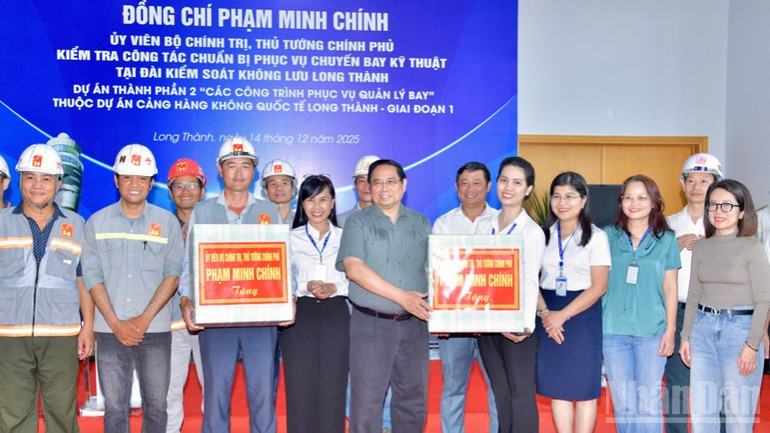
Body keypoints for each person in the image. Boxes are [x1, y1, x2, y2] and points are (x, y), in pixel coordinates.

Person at [179, 136, 282, 433]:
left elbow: (281, 264)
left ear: (254, 171)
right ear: (219, 170)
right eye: (231, 165)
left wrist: (288, 300)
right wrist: (186, 300)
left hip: (261, 319)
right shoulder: (203, 211)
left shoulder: (270, 211)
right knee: (215, 398)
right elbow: (189, 265)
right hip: (216, 319)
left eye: (245, 165)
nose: (238, 172)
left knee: (263, 396)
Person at [82, 144, 184, 433]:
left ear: (152, 183)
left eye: (142, 178)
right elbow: (92, 276)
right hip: (109, 331)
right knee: (115, 408)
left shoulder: (167, 223)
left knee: (157, 406)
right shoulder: (97, 222)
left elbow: (172, 274)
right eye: (127, 177)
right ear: (116, 180)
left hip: (155, 330)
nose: (134, 184)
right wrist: (116, 323)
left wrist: (143, 319)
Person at [0, 144, 94, 432]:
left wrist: (88, 327)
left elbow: (84, 280)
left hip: (61, 335)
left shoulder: (77, 225)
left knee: (62, 415)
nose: (37, 185)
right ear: (19, 181)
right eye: (30, 177)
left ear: (59, 183)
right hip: (9, 335)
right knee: (12, 416)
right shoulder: (2, 223)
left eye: (46, 178)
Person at [337, 159, 432, 433]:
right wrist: (402, 297)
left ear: (404, 185)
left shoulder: (421, 222)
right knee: (366, 403)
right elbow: (354, 268)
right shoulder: (358, 221)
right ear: (369, 187)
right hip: (371, 324)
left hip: (414, 325)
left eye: (391, 181)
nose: (384, 188)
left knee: (413, 401)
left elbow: (433, 269)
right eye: (376, 182)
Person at [679, 179, 770, 432]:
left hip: (740, 332)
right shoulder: (702, 246)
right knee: (702, 413)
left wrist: (752, 345)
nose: (719, 211)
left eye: (727, 205)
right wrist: (685, 336)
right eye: (713, 205)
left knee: (738, 415)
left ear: (742, 212)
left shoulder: (753, 248)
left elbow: (764, 299)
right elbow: (694, 293)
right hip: (702, 329)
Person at [602, 174, 679, 432]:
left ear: (654, 202)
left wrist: (670, 330)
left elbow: (670, 287)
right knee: (623, 403)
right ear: (621, 201)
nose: (634, 203)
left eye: (642, 197)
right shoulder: (606, 236)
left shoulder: (667, 239)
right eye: (629, 197)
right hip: (612, 331)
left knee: (648, 404)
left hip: (652, 333)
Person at [535, 171, 610, 433]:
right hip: (546, 310)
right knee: (558, 387)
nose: (562, 202)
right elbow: (530, 279)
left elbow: (599, 286)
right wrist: (546, 314)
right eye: (556, 196)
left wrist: (562, 315)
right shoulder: (541, 234)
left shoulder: (596, 237)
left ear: (583, 199)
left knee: (584, 388)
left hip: (582, 315)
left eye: (569, 196)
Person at [475, 156, 545, 433]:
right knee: (500, 391)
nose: (508, 187)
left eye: (517, 182)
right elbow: (475, 274)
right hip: (487, 324)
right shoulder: (484, 225)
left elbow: (529, 280)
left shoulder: (531, 231)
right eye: (504, 180)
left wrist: (523, 324)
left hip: (517, 327)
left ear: (528, 189)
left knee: (520, 392)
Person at [432, 161, 498, 433]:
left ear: (488, 186)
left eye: (476, 183)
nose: (470, 189)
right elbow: (436, 274)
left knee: (497, 386)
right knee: (453, 388)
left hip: (494, 322)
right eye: (464, 183)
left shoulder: (501, 221)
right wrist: (441, 319)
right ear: (456, 187)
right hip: (454, 323)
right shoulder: (444, 223)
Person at [282, 175, 349, 433]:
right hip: (301, 314)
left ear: (332, 202)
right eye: (310, 200)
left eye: (323, 199)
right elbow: (282, 279)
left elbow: (356, 278)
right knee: (299, 385)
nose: (317, 206)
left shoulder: (346, 237)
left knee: (334, 384)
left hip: (336, 312)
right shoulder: (289, 238)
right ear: (302, 204)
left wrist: (334, 287)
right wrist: (304, 286)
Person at [664, 153, 723, 432]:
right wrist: (670, 249)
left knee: (717, 384)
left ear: (716, 184)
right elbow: (651, 272)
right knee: (677, 385)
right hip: (678, 313)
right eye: (690, 180)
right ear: (682, 184)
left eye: (704, 180)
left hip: (718, 314)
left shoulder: (726, 223)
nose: (696, 186)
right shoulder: (666, 224)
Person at [165, 158, 207, 433]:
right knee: (169, 390)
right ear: (170, 193)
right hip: (171, 320)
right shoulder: (160, 225)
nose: (185, 191)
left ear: (202, 190)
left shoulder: (216, 221)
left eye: (192, 185)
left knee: (213, 388)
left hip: (209, 321)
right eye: (178, 186)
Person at [337, 154, 380, 227]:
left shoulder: (395, 221)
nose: (367, 186)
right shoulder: (339, 222)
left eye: (372, 180)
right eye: (362, 180)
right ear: (355, 185)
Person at [261, 158, 297, 224]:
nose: (279, 188)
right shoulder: (256, 223)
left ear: (293, 189)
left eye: (284, 183)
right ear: (266, 191)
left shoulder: (302, 223)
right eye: (273, 184)